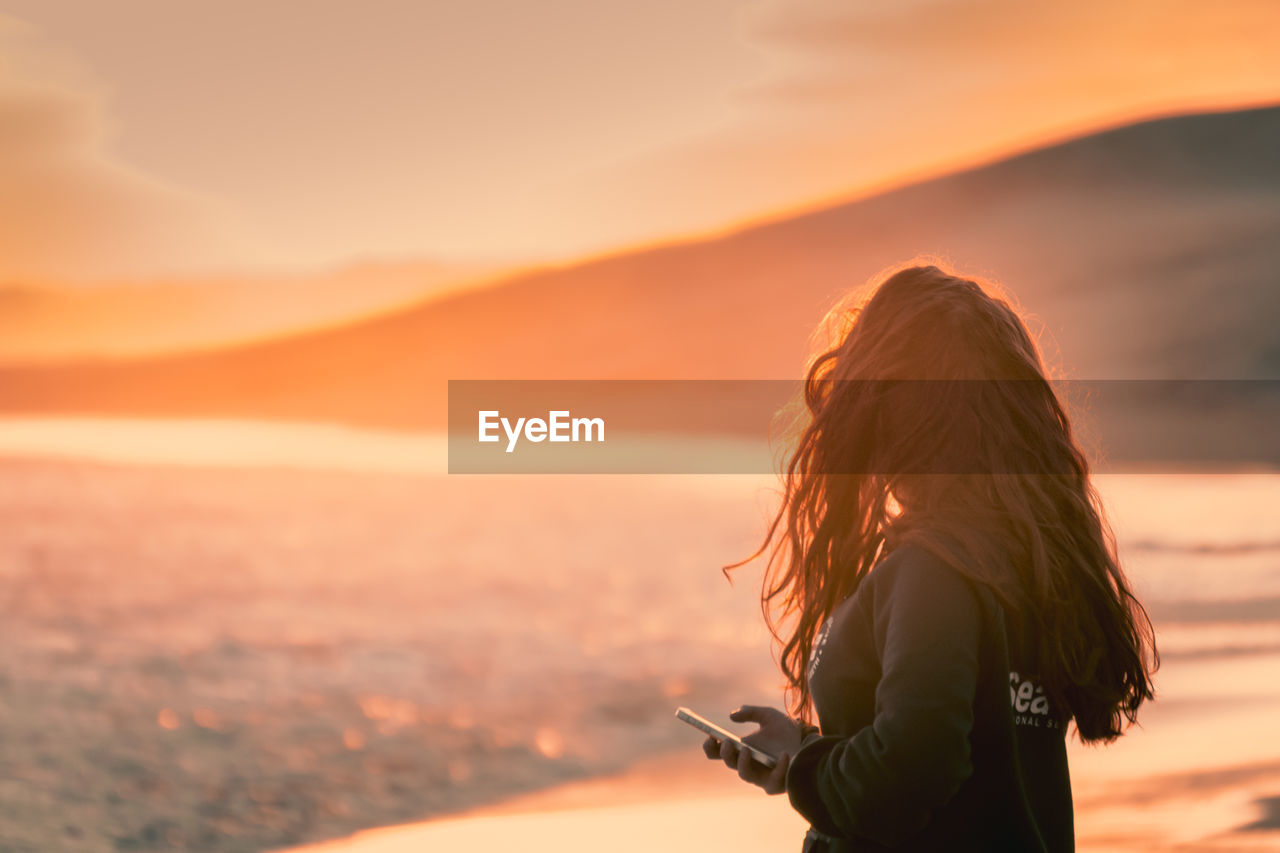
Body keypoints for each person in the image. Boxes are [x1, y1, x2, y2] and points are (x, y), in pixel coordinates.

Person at [701, 263, 1158, 852]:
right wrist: (807, 755)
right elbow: (959, 757)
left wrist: (806, 771)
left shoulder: (933, 571)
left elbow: (913, 769)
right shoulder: (1028, 562)